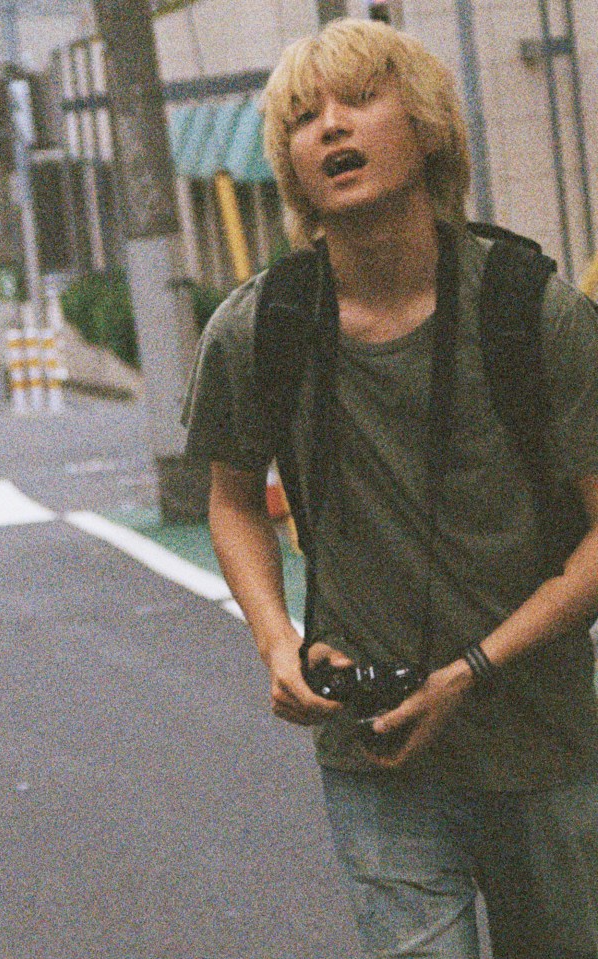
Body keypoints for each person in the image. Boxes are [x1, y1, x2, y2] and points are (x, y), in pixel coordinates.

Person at [183, 19, 598, 958]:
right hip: (373, 748)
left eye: (361, 100)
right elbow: (233, 497)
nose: (331, 126)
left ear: (428, 127)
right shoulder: (261, 327)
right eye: (304, 117)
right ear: (290, 165)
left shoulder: (533, 312)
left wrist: (469, 670)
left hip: (542, 741)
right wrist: (277, 641)